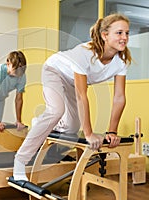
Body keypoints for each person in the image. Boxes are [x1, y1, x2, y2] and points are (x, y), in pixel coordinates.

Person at [13, 13, 132, 181]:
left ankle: (42, 121)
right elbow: (81, 95)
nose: (124, 37)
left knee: (72, 129)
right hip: (54, 70)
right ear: (105, 35)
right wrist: (89, 133)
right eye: (119, 33)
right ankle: (20, 162)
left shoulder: (121, 61)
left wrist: (112, 131)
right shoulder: (85, 53)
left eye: (127, 33)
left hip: (71, 81)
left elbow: (119, 97)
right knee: (56, 110)